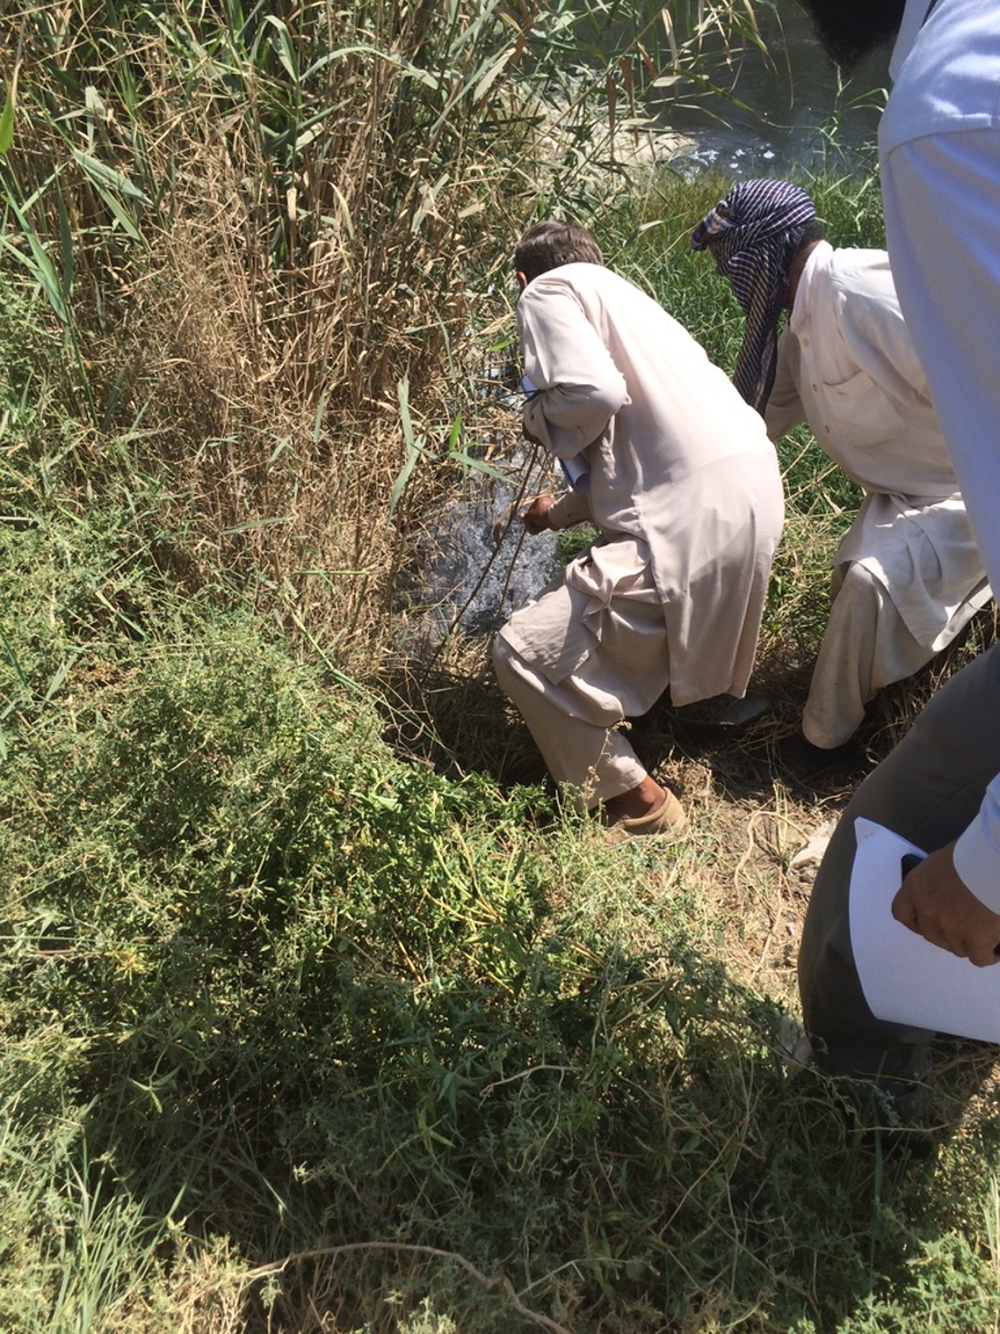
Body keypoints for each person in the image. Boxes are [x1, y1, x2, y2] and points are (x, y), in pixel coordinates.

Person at [791, 0, 1000, 1115]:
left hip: (964, 497)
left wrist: (985, 871)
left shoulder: (950, 114)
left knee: (860, 924)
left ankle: (863, 1152)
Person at [691, 179, 991, 781]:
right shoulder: (802, 329)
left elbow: (981, 370)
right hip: (908, 494)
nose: (730, 282)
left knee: (865, 582)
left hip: (971, 492)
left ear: (767, 252)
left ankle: (824, 748)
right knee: (861, 573)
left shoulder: (864, 293)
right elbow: (748, 426)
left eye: (733, 265)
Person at [491, 220, 785, 834]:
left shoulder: (544, 292)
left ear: (523, 278)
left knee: (520, 652)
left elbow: (596, 394)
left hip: (688, 515)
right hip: (752, 492)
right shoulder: (630, 304)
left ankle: (641, 803)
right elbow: (640, 458)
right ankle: (695, 707)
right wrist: (557, 513)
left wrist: (536, 416)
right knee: (634, 572)